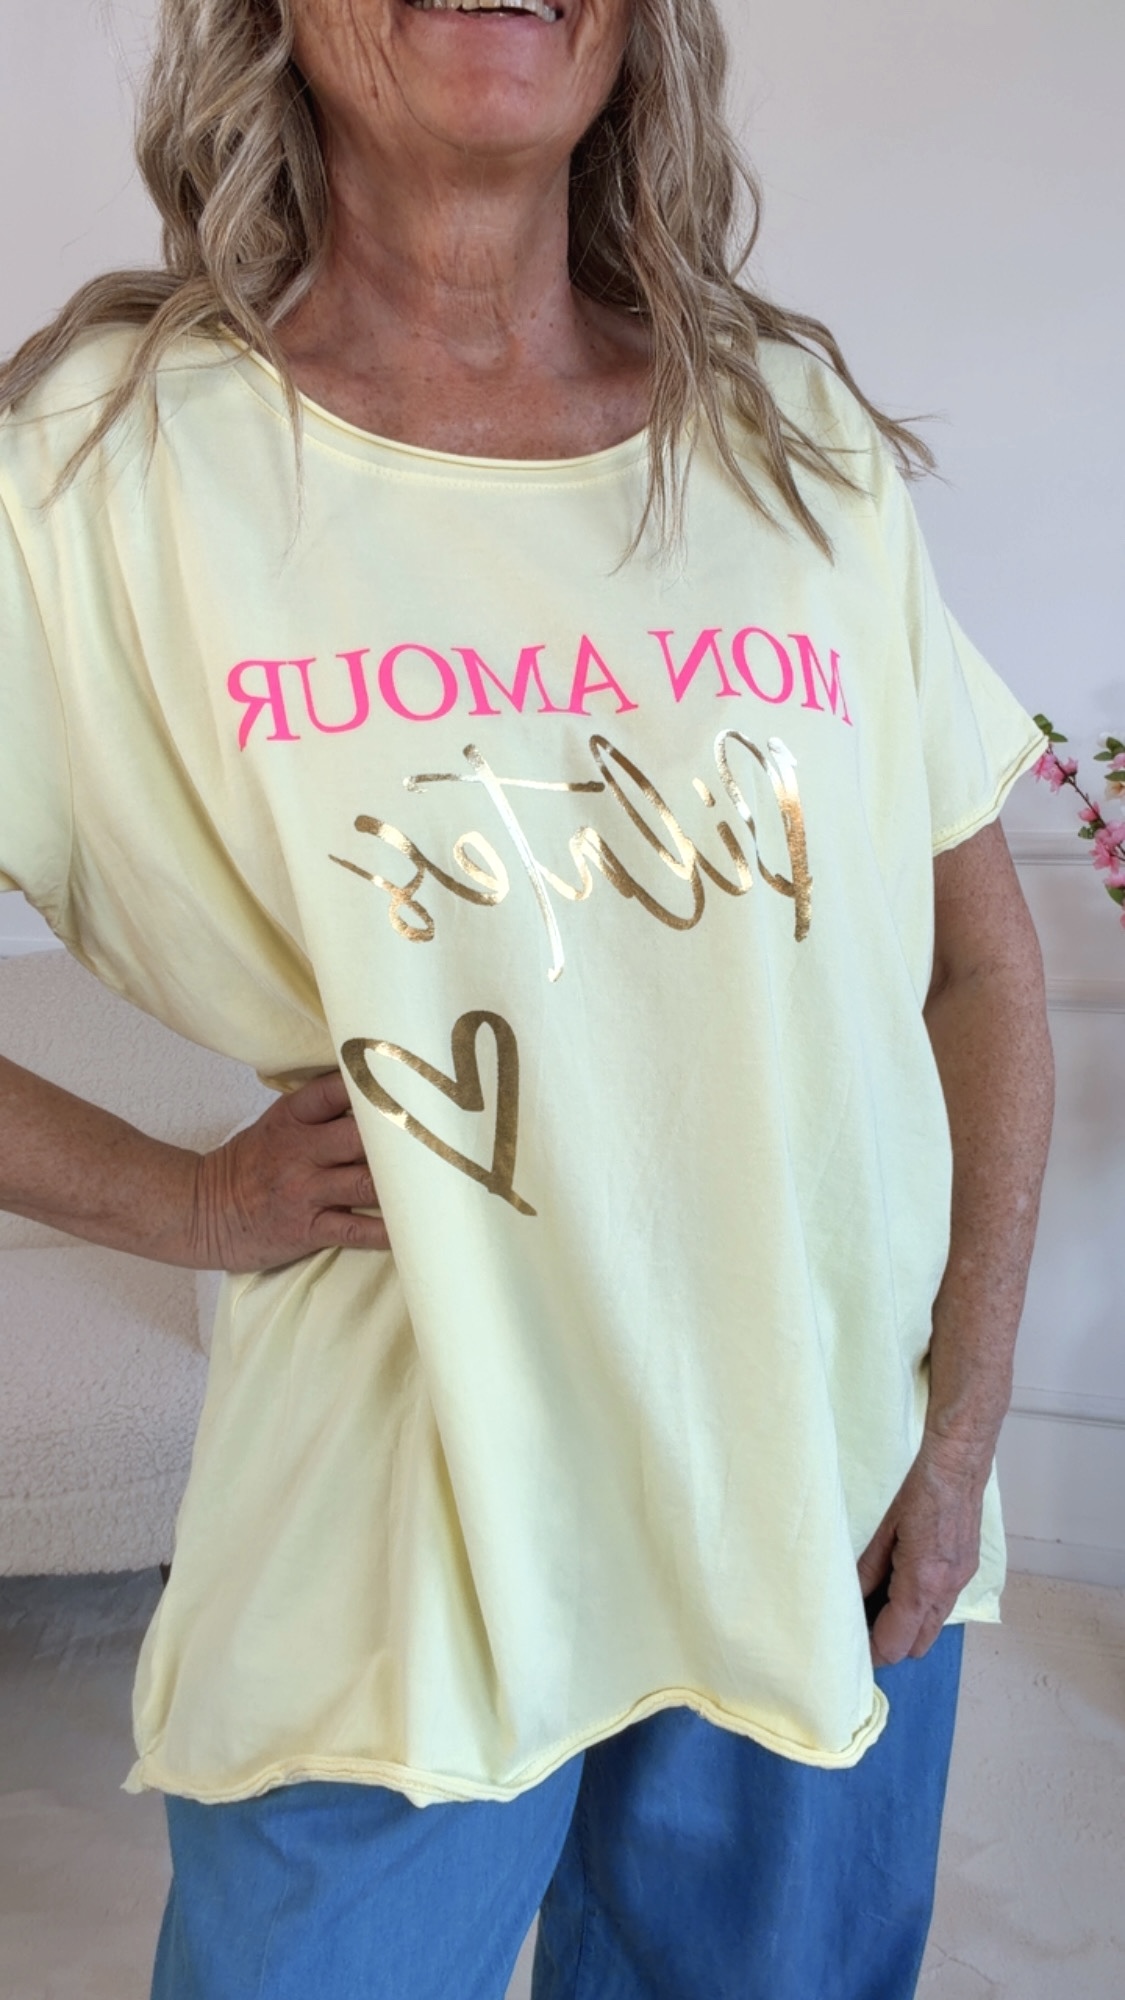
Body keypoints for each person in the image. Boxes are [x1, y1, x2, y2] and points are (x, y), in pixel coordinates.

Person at [0, 1, 1055, 1995]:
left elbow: (977, 961)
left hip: (815, 1499)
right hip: (395, 1530)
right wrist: (182, 1198)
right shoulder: (100, 471)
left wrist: (962, 1425)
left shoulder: (787, 438)